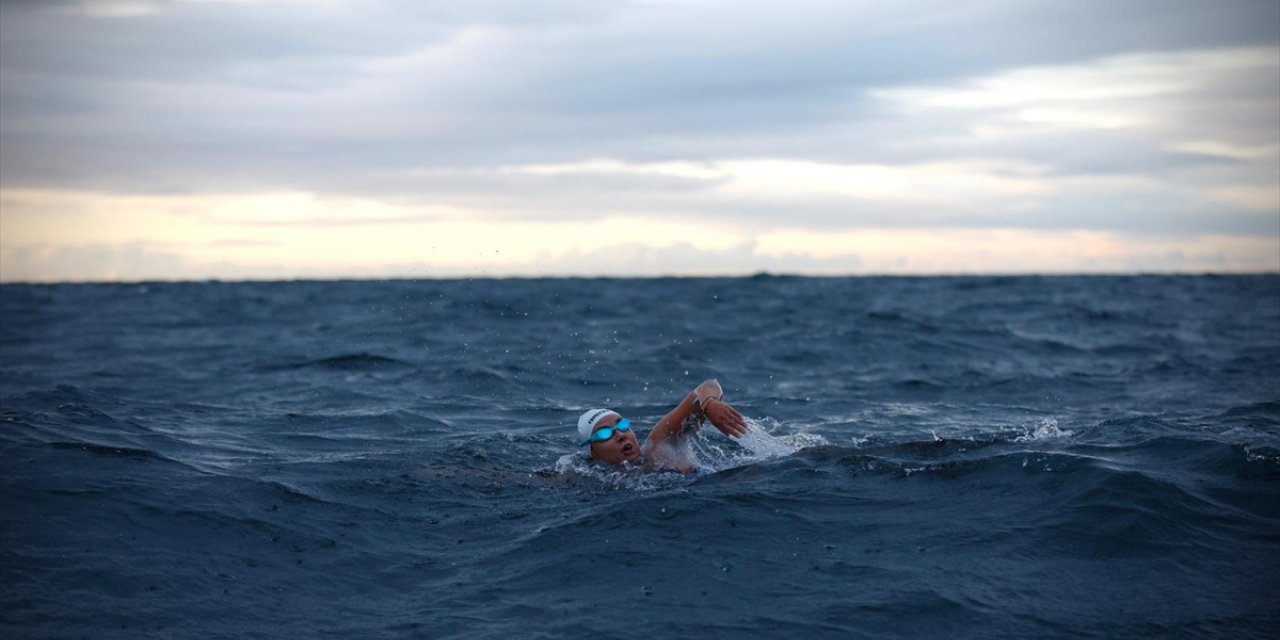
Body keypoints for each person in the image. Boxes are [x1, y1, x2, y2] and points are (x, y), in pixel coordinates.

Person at [577, 379, 748, 473]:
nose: (620, 435)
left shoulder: (658, 446)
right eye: (605, 433)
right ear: (593, 454)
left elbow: (707, 386)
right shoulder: (594, 480)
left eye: (622, 425)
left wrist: (709, 403)